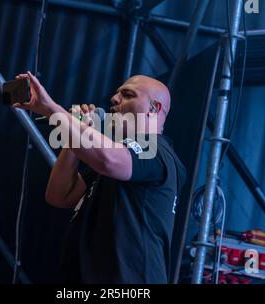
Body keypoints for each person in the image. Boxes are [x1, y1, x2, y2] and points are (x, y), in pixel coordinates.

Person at [14, 72, 186, 283]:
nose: (114, 99)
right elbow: (60, 195)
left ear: (154, 108)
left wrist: (51, 109)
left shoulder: (156, 149)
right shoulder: (117, 155)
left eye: (128, 94)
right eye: (116, 93)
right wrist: (78, 130)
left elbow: (108, 159)